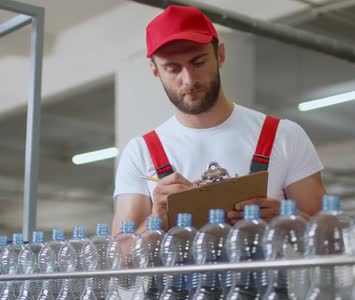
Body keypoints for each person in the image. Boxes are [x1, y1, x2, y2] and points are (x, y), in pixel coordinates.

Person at [113, 5, 326, 234]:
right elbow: (121, 256)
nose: (189, 79)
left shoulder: (283, 136)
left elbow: (329, 234)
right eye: (173, 68)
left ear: (220, 55)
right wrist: (157, 218)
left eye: (198, 62)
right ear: (155, 70)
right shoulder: (141, 152)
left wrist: (288, 217)